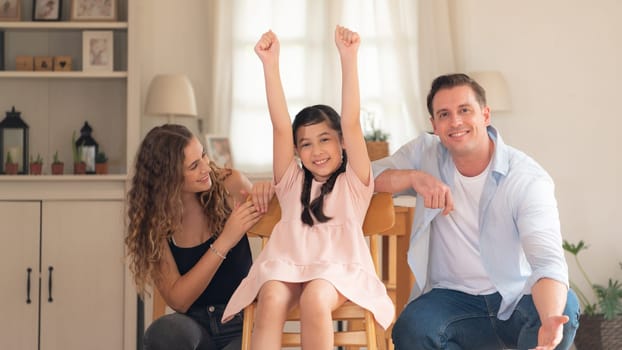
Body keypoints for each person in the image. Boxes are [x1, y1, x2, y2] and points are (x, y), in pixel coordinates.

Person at [372, 73, 580, 349]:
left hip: (515, 298)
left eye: (465, 110)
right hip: (450, 301)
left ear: (485, 114)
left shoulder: (526, 178)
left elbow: (546, 262)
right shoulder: (424, 154)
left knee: (563, 305)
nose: (455, 121)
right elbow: (363, 179)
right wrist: (413, 178)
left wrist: (551, 319)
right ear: (434, 125)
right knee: (414, 328)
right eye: (444, 114)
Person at [222, 26, 394, 349]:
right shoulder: (291, 183)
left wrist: (348, 58)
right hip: (288, 264)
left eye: (325, 140)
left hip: (338, 270)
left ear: (342, 143)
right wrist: (270, 65)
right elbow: (279, 126)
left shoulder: (354, 184)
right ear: (298, 152)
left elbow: (353, 122)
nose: (316, 151)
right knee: (271, 295)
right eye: (306, 144)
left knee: (315, 296)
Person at [125, 124, 274, 350]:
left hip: (241, 322)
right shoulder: (154, 222)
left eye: (203, 154)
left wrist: (266, 190)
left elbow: (280, 220)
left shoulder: (229, 185)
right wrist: (226, 240)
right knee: (162, 333)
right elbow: (179, 300)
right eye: (194, 166)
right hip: (193, 326)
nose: (206, 167)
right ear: (169, 178)